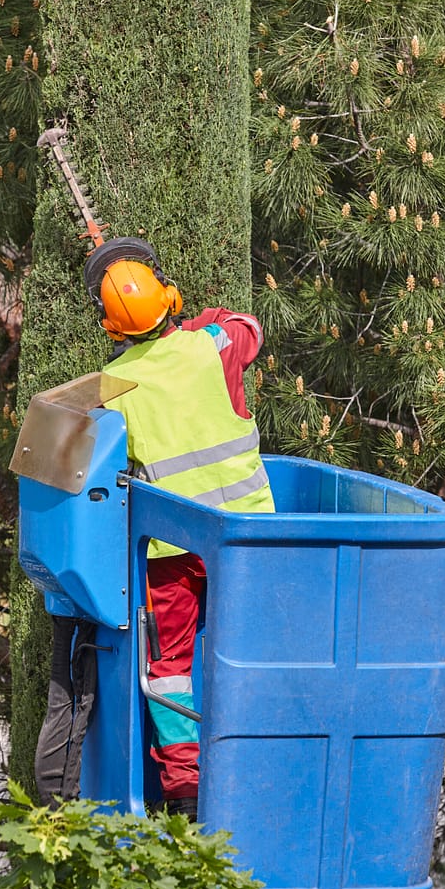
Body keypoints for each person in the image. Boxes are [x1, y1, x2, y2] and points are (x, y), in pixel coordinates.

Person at [86, 241, 274, 821]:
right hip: (248, 542)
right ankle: (263, 759)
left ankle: (186, 788)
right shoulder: (212, 347)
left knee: (167, 672)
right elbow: (250, 326)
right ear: (170, 296)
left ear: (109, 327)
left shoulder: (109, 387)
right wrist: (193, 320)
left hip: (168, 553)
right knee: (252, 651)